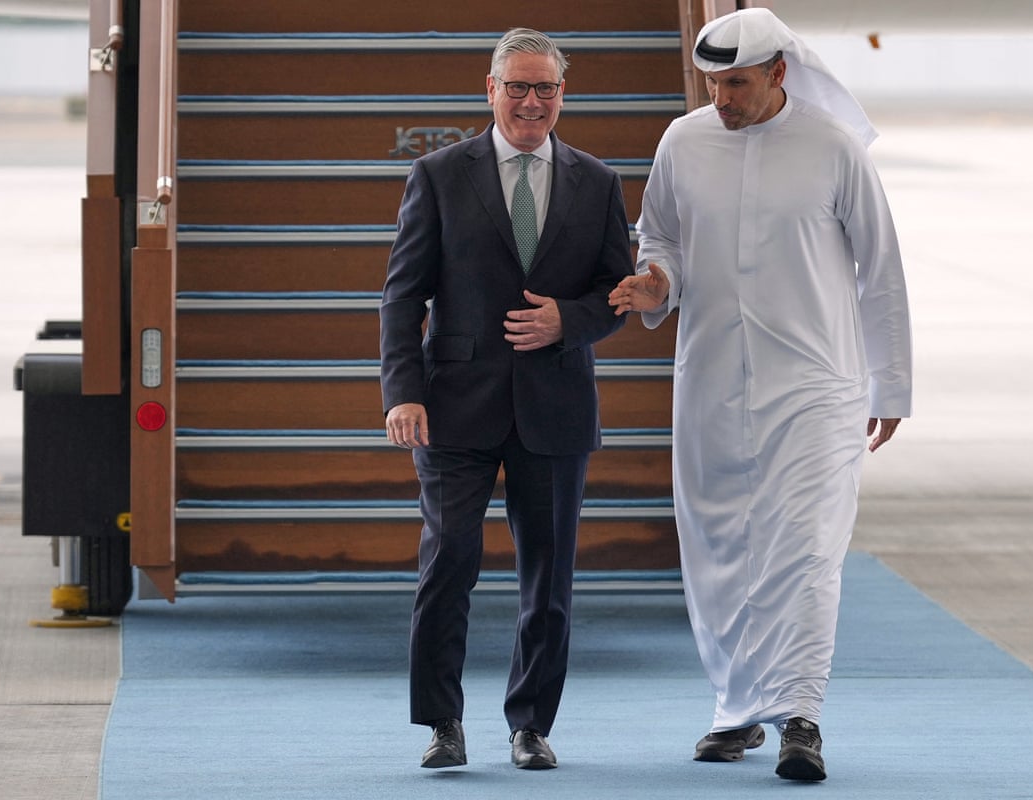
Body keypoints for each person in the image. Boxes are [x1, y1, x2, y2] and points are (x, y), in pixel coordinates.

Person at [608, 7, 912, 783]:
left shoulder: (833, 147)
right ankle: (734, 709)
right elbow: (662, 238)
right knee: (719, 547)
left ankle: (801, 716)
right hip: (710, 377)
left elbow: (881, 272)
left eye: (737, 83)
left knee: (806, 547)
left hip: (818, 386)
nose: (722, 99)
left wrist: (892, 383)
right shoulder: (684, 141)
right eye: (713, 83)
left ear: (778, 73)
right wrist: (655, 283)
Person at [379, 27, 632, 771]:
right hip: (453, 404)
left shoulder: (598, 181)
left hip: (554, 403)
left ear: (563, 95)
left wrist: (569, 320)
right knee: (449, 559)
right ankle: (442, 723)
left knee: (547, 577)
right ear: (489, 91)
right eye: (517, 87)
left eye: (545, 88)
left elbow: (614, 297)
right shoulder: (438, 173)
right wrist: (402, 391)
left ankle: (530, 725)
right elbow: (402, 296)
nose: (531, 101)